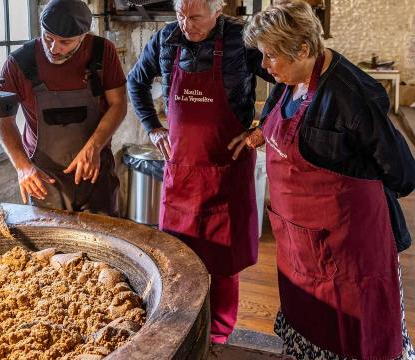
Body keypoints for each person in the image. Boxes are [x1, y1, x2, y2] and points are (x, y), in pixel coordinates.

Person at [230, 1, 415, 358]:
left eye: (270, 56)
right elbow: (276, 116)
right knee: (309, 323)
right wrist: (259, 134)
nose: (264, 66)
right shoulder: (288, 76)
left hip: (349, 251)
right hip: (301, 245)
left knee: (354, 338)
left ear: (303, 48)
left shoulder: (351, 96)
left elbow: (402, 173)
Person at [127, 0, 274, 344]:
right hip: (183, 173)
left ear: (217, 10)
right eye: (180, 14)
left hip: (227, 171)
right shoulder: (166, 39)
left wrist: (263, 128)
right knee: (177, 260)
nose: (185, 24)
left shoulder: (242, 41)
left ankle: (218, 337)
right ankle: (178, 330)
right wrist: (152, 126)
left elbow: (284, 81)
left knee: (224, 264)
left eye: (194, 17)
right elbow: (136, 81)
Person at [0, 0, 127, 215]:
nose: (54, 48)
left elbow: (118, 103)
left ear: (83, 37)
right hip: (44, 179)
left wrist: (93, 147)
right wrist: (22, 167)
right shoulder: (19, 62)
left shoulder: (102, 52)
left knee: (104, 244)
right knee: (50, 246)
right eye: (48, 38)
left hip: (94, 173)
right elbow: (3, 119)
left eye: (65, 42)